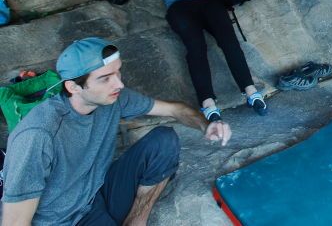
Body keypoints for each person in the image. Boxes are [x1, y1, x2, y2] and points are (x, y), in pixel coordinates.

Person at [1, 37, 232, 226]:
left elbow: (174, 109)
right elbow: (14, 222)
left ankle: (136, 220)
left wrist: (206, 125)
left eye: (118, 73)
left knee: (164, 141)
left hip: (97, 193)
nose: (119, 84)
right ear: (73, 87)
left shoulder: (113, 99)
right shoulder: (38, 135)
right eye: (105, 79)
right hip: (63, 220)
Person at [140, 0, 266, 121]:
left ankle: (251, 92)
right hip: (179, 7)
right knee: (196, 49)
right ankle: (208, 104)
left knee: (229, 42)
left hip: (207, 0)